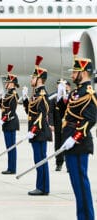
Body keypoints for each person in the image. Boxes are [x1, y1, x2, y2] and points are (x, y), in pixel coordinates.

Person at [58, 41, 96, 220]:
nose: (72, 75)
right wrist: (61, 98)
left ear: (84, 72)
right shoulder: (77, 92)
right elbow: (68, 114)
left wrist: (75, 137)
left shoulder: (88, 93)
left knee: (81, 184)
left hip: (78, 143)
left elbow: (91, 119)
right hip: (70, 143)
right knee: (76, 185)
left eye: (75, 72)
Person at [22, 55, 52, 196]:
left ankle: (43, 187)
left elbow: (41, 114)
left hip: (39, 132)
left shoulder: (42, 94)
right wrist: (25, 100)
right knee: (38, 159)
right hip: (36, 131)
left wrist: (33, 129)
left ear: (39, 78)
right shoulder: (36, 94)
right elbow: (31, 112)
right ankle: (41, 186)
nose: (31, 79)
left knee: (41, 159)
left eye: (33, 77)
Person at [0, 65, 20, 174]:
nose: (5, 84)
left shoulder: (13, 94)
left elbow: (12, 110)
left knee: (11, 146)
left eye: (7, 82)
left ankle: (12, 168)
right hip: (7, 122)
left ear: (12, 83)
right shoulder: (8, 94)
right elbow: (3, 108)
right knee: (8, 146)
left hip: (11, 122)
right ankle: (10, 167)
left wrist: (4, 119)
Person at [49, 79, 71, 172]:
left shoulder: (71, 96)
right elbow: (51, 112)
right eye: (59, 85)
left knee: (68, 144)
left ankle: (69, 165)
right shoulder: (54, 97)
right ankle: (59, 163)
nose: (60, 87)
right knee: (58, 144)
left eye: (62, 85)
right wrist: (51, 124)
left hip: (68, 125)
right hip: (58, 124)